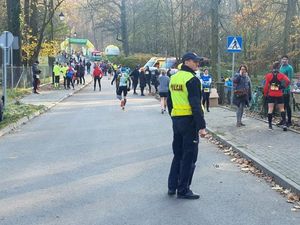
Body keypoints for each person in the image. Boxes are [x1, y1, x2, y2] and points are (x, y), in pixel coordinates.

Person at [167, 52, 206, 200]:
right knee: (189, 157)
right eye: (195, 61)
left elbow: (170, 102)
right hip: (189, 122)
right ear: (187, 61)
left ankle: (172, 186)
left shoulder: (174, 78)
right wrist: (201, 126)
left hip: (177, 120)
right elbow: (196, 105)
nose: (198, 64)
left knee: (178, 154)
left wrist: (174, 116)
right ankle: (183, 189)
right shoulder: (192, 79)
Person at [263, 61, 290, 131]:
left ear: (272, 67)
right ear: (279, 67)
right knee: (282, 109)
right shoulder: (281, 75)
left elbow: (266, 86)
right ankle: (284, 124)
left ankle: (270, 126)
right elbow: (288, 81)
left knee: (270, 109)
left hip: (271, 94)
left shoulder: (268, 75)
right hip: (279, 94)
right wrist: (282, 87)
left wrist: (265, 94)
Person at [279, 55, 294, 126]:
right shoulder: (281, 67)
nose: (284, 60)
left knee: (287, 105)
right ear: (281, 60)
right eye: (283, 59)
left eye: (285, 59)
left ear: (287, 60)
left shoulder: (289, 68)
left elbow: (289, 79)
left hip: (286, 90)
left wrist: (285, 88)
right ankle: (283, 120)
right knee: (282, 106)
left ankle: (289, 121)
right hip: (280, 90)